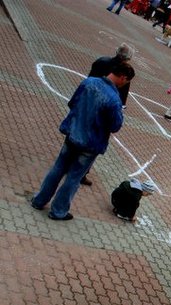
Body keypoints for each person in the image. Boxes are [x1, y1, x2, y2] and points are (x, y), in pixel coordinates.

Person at [31, 63, 134, 221]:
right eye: (126, 81)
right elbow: (115, 126)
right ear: (122, 77)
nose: (124, 85)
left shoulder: (89, 82)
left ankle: (39, 200)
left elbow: (72, 103)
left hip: (73, 133)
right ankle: (58, 211)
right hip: (90, 143)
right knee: (73, 177)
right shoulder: (114, 99)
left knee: (58, 167)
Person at [80, 43, 135, 186]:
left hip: (86, 106)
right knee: (92, 144)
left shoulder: (101, 61)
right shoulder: (124, 74)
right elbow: (121, 102)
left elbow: (88, 82)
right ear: (128, 59)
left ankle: (70, 163)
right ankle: (82, 172)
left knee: (77, 133)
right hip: (102, 116)